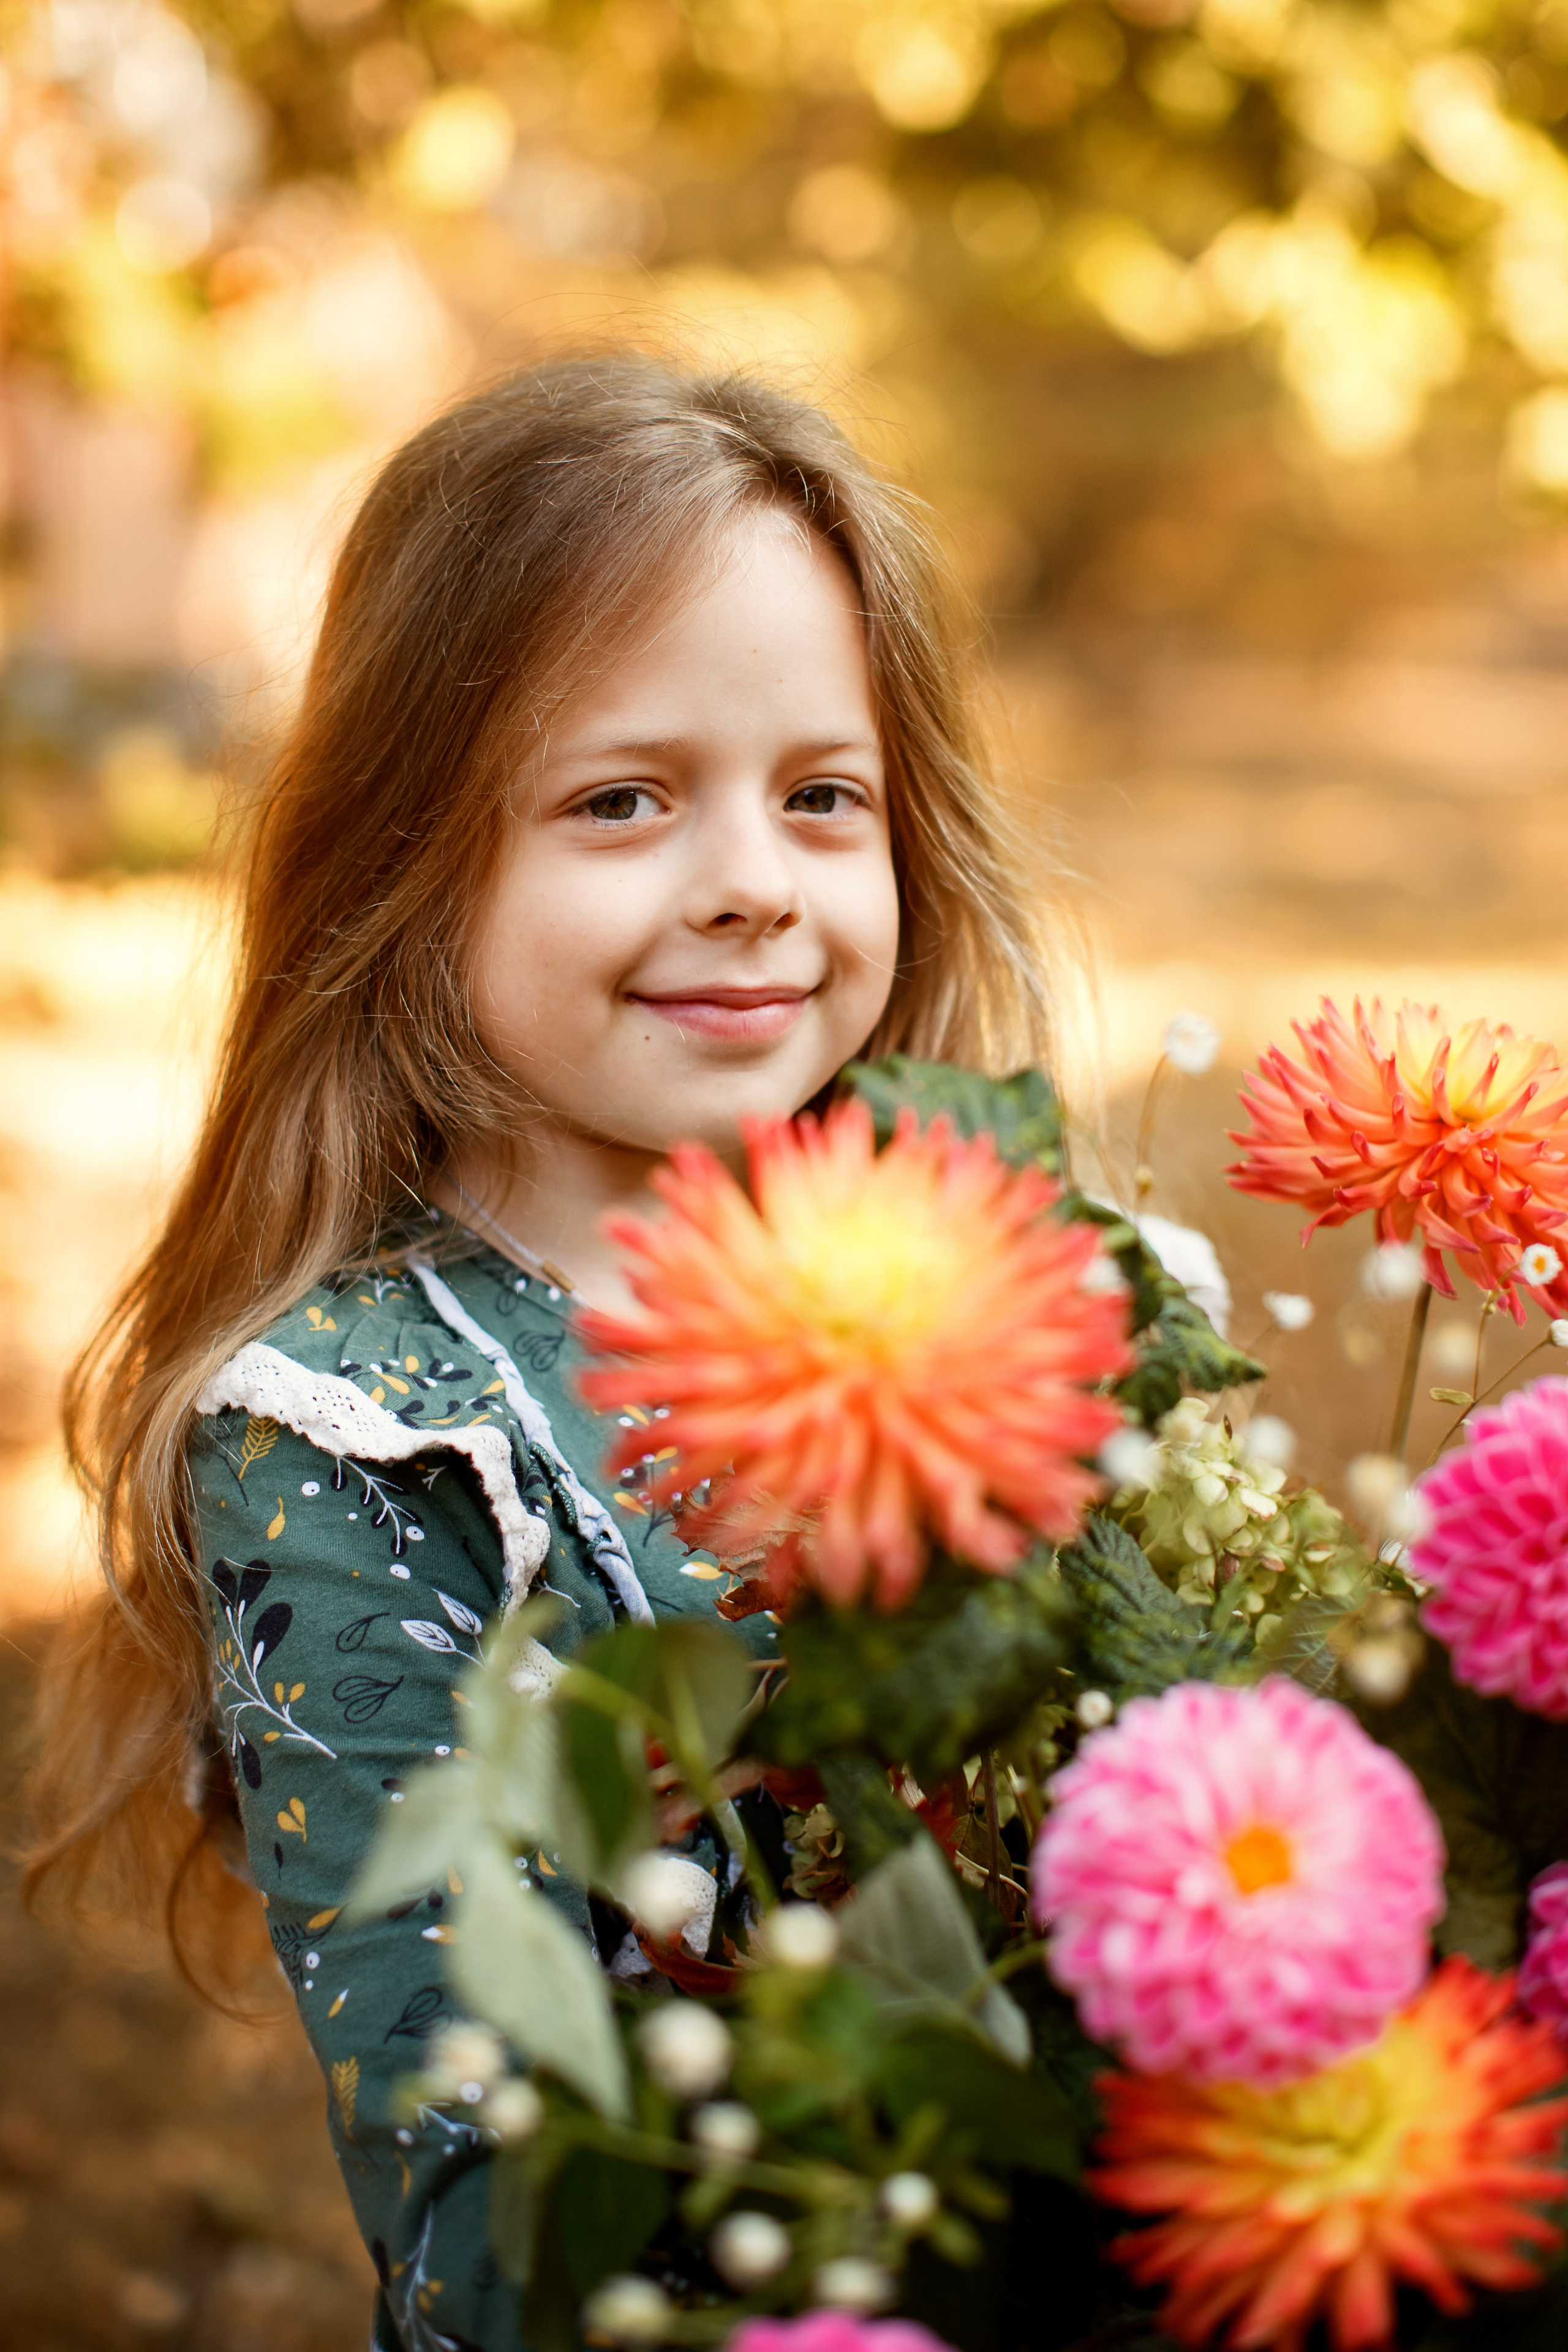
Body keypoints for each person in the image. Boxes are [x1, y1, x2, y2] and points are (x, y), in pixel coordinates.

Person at [25, 353, 1059, 2350]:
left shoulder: (985, 1274)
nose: (754, 877)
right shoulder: (353, 1436)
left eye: (823, 795)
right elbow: (488, 2195)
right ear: (418, 862)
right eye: (623, 800)